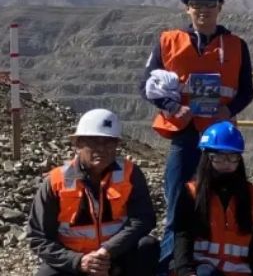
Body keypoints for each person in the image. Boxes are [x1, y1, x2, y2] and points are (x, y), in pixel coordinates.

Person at [140, 0, 253, 269]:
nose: (202, 9)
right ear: (186, 8)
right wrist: (170, 106)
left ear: (220, 6)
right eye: (195, 3)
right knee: (178, 205)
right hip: (185, 134)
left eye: (209, 3)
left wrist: (228, 112)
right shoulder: (167, 41)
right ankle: (171, 267)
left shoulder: (236, 45)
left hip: (219, 141)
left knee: (221, 206)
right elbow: (147, 85)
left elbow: (246, 91)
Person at [28, 109, 159, 276]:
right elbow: (38, 237)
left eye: (108, 142)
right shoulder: (56, 181)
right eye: (93, 142)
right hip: (74, 259)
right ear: (78, 144)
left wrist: (107, 250)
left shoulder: (130, 174)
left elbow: (143, 219)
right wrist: (79, 261)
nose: (102, 148)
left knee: (147, 246)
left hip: (115, 254)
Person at [172, 122, 253, 276]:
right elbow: (183, 235)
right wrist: (185, 271)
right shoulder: (191, 193)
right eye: (219, 157)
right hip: (203, 268)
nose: (226, 163)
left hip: (241, 272)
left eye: (232, 157)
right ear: (207, 158)